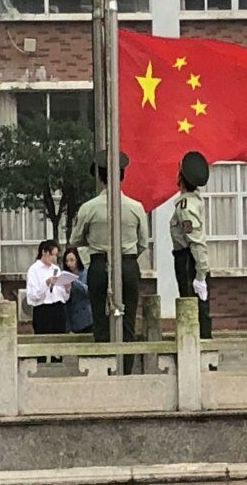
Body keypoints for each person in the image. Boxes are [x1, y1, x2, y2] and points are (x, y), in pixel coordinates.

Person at [70, 150, 149, 373]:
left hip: (99, 264)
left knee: (100, 320)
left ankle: (104, 371)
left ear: (99, 176)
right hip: (128, 264)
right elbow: (143, 243)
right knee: (128, 321)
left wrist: (93, 248)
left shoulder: (89, 208)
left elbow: (75, 239)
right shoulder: (136, 207)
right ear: (123, 175)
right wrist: (127, 257)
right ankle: (126, 371)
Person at [170, 151, 213, 339]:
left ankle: (196, 345)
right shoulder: (192, 201)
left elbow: (196, 241)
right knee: (196, 307)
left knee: (192, 308)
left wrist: (201, 275)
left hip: (188, 260)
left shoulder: (185, 207)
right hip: (191, 258)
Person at [26, 239, 70, 335]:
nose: (53, 258)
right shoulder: (34, 270)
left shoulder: (56, 269)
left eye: (55, 255)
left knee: (60, 336)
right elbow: (33, 295)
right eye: (51, 255)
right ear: (44, 252)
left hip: (58, 308)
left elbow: (64, 297)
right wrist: (46, 284)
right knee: (43, 337)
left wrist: (67, 289)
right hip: (43, 309)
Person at [62, 247, 93, 334]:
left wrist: (74, 280)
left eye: (72, 260)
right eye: (67, 261)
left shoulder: (84, 273)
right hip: (72, 315)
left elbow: (88, 291)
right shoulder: (64, 275)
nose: (69, 263)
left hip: (86, 315)